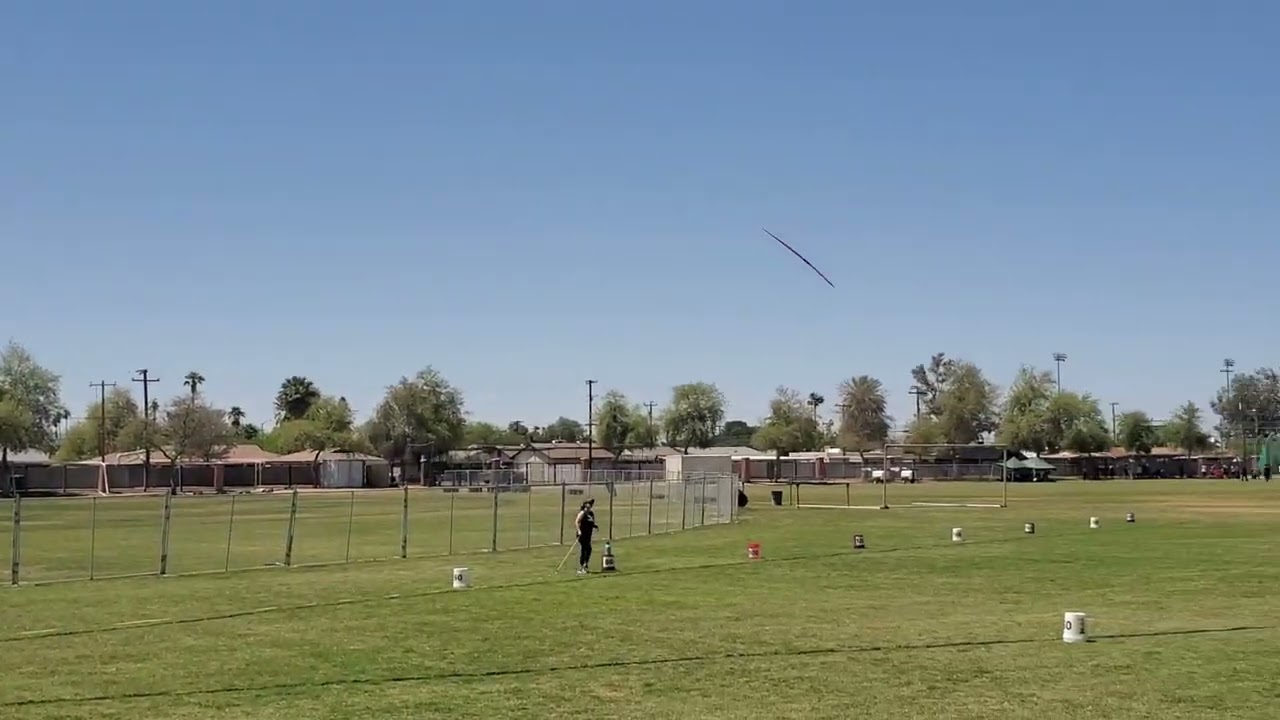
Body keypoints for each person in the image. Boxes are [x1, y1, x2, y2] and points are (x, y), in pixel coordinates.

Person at [574, 498, 598, 575]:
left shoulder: (591, 513)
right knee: (586, 549)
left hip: (588, 535)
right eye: (588, 504)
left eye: (591, 505)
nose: (590, 506)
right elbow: (577, 522)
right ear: (585, 505)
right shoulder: (582, 513)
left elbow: (591, 523)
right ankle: (582, 567)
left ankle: (585, 565)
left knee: (588, 549)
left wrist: (594, 526)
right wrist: (579, 530)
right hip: (582, 534)